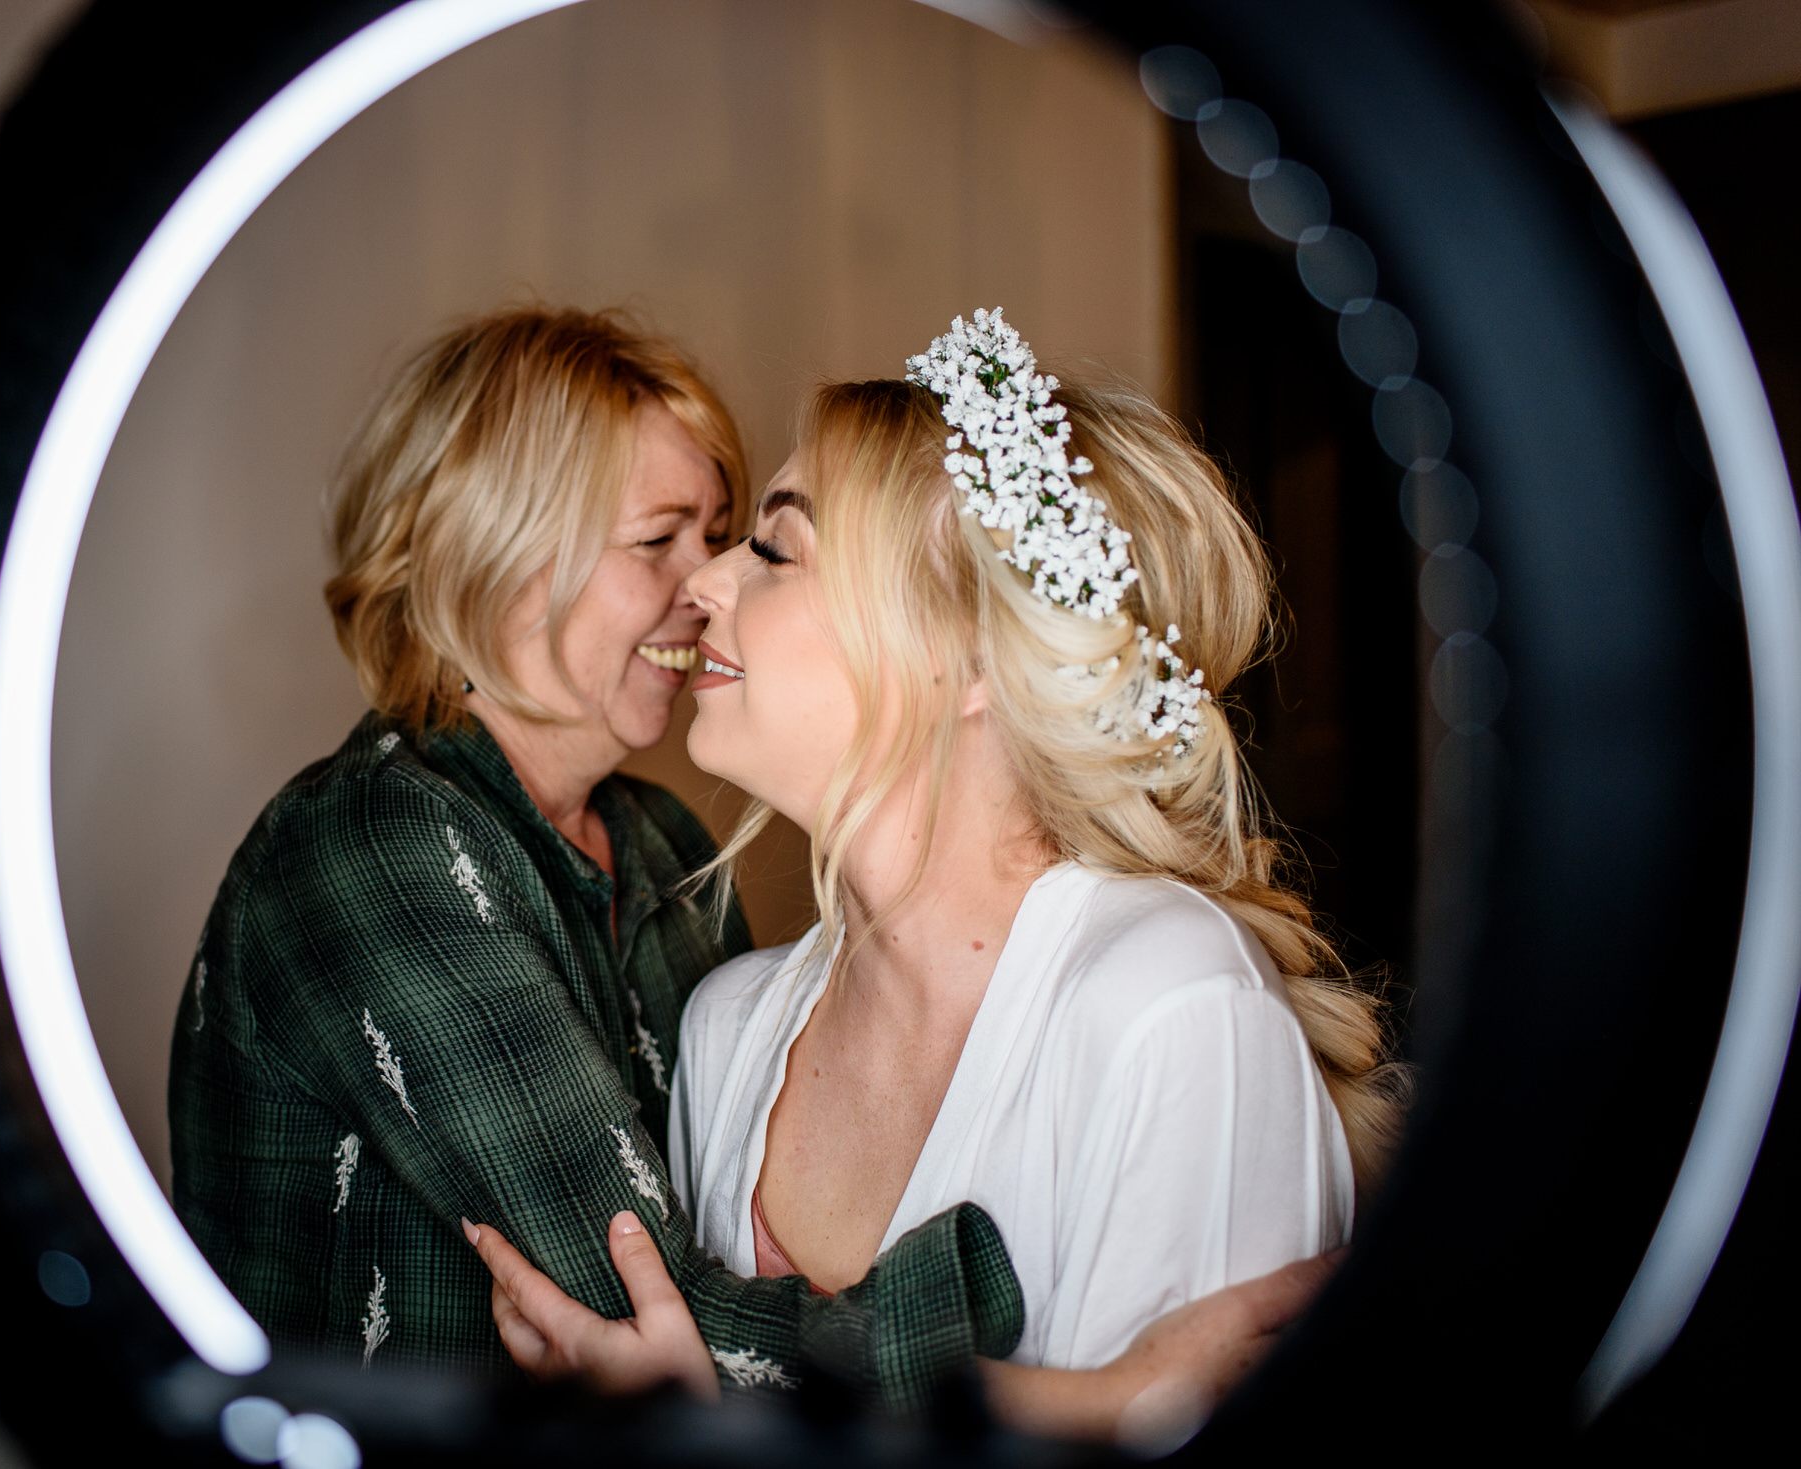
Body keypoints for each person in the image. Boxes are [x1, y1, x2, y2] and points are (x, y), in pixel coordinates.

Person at [469, 312, 1405, 1441]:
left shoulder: (1165, 1007)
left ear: (967, 655)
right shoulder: (728, 1029)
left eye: (771, 549)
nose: (705, 584)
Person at [168, 306, 1024, 1406]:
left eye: (719, 532)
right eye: (656, 539)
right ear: (494, 554)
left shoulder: (662, 837)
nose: (708, 582)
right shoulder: (369, 843)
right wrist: (1042, 1301)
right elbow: (644, 1312)